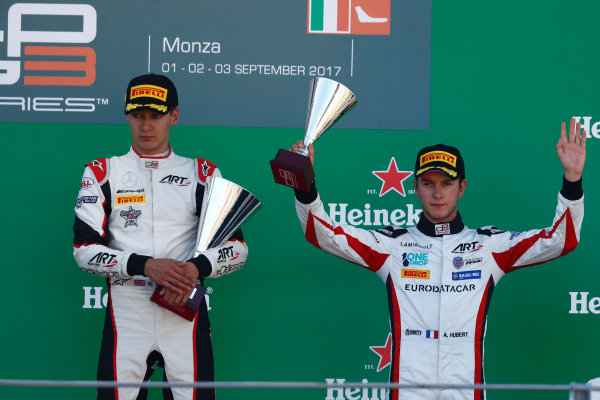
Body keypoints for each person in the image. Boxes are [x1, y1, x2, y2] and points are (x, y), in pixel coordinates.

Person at [290, 119, 585, 400]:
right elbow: (321, 232)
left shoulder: (488, 246)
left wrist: (572, 180)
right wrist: (305, 183)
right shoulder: (392, 245)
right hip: (408, 388)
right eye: (428, 183)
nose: (437, 193)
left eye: (446, 183)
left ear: (462, 187)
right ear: (415, 188)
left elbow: (561, 239)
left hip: (464, 389)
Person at [73, 73, 248, 400]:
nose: (146, 125)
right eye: (138, 116)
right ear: (127, 116)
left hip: (185, 313)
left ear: (174, 116)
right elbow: (84, 251)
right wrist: (145, 265)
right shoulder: (101, 172)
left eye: (156, 115)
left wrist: (196, 269)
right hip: (127, 314)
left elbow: (236, 249)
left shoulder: (203, 174)